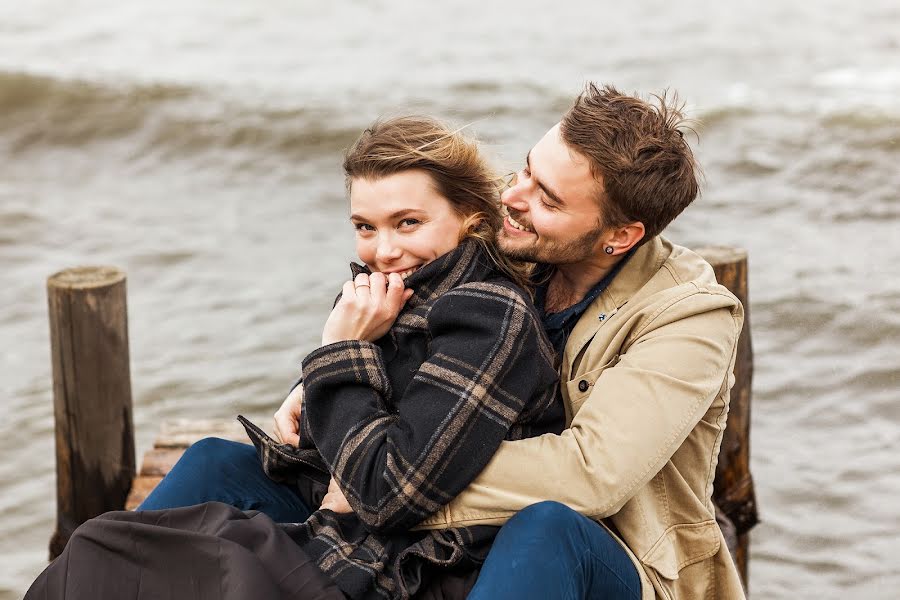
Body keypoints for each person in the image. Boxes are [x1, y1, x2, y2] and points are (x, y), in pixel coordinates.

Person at [27, 116, 564, 600]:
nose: (383, 250)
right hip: (339, 497)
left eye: (408, 223)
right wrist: (316, 380)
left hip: (417, 549)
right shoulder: (388, 293)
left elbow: (386, 493)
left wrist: (338, 352)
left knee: (129, 555)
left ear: (470, 217)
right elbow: (335, 426)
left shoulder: (490, 318)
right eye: (365, 227)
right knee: (206, 465)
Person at [276, 84, 748, 600]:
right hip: (445, 530)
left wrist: (385, 478)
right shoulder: (514, 238)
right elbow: (400, 311)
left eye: (547, 198)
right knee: (220, 465)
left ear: (621, 236)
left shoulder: (691, 317)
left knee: (547, 531)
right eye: (527, 169)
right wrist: (326, 380)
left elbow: (591, 475)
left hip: (612, 559)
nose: (511, 196)